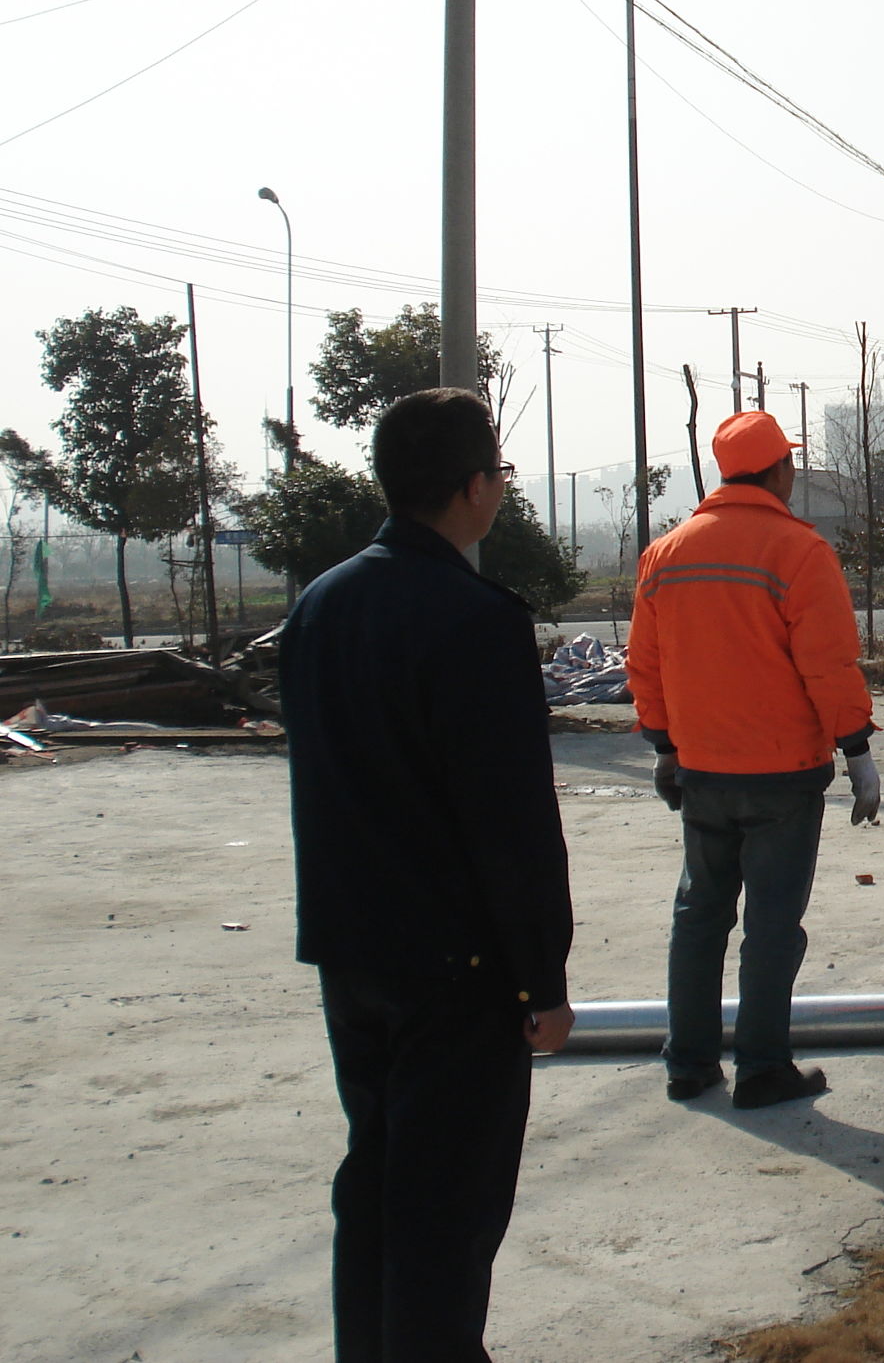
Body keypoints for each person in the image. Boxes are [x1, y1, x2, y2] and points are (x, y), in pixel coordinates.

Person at [281, 387, 573, 1363]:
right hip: (455, 969)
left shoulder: (319, 605)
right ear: (471, 486)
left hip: (350, 956)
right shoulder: (472, 619)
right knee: (444, 1218)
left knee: (374, 1188)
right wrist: (543, 978)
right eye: (497, 473)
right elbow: (511, 822)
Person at [627, 411, 879, 1110]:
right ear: (780, 472)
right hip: (781, 774)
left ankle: (689, 1062)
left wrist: (664, 746)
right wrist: (856, 748)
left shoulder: (665, 554)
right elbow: (826, 665)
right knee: (771, 922)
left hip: (701, 770)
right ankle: (763, 1067)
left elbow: (644, 668)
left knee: (699, 914)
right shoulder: (797, 551)